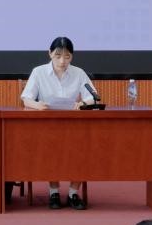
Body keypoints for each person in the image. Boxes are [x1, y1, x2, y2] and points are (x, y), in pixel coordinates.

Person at [20, 36, 96, 210]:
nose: (62, 61)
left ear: (72, 56)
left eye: (67, 57)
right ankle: (53, 191)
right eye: (58, 56)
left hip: (74, 125)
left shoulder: (79, 73)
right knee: (50, 148)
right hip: (47, 125)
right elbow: (26, 98)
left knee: (83, 147)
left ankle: (73, 193)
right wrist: (38, 105)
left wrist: (83, 103)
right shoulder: (38, 72)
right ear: (50, 54)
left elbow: (93, 97)